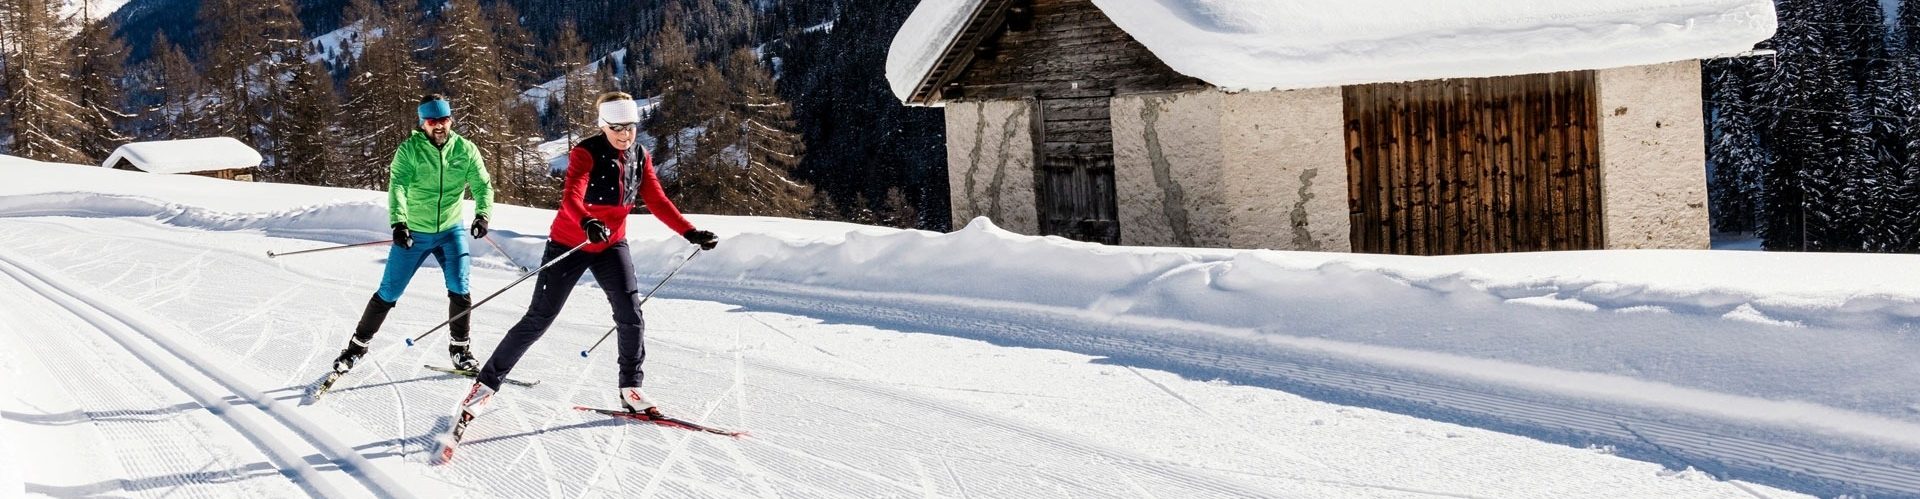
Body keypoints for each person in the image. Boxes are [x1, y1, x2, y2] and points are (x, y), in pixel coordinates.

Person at [460, 91, 718, 416]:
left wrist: (689, 231)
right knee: (539, 318)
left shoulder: (640, 156)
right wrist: (588, 222)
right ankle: (484, 386)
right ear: (604, 126)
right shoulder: (586, 153)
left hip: (611, 245)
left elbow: (656, 199)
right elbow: (570, 198)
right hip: (572, 243)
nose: (625, 135)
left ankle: (631, 388)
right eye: (617, 128)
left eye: (630, 127)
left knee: (631, 315)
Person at [332, 94, 494, 375]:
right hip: (415, 232)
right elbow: (398, 188)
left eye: (444, 119)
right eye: (433, 121)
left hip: (450, 230)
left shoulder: (465, 150)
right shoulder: (409, 151)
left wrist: (483, 215)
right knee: (389, 292)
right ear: (423, 124)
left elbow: (482, 185)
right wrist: (399, 223)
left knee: (460, 287)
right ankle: (356, 348)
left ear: (451, 120)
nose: (439, 126)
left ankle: (460, 350)